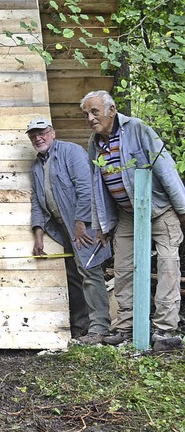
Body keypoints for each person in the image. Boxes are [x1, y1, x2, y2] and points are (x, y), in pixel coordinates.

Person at [80, 90, 185, 347]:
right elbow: (98, 186)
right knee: (124, 269)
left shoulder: (137, 129)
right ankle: (126, 328)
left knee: (168, 267)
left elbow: (165, 167)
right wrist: (102, 225)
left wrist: (182, 209)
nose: (91, 118)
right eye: (86, 114)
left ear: (112, 110)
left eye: (95, 112)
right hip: (127, 214)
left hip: (160, 209)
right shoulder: (95, 142)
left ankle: (165, 331)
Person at [26, 118, 111, 344]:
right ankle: (81, 327)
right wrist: (38, 233)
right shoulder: (37, 165)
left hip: (84, 224)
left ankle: (100, 327)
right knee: (74, 275)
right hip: (62, 226)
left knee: (90, 271)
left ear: (52, 132)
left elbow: (87, 188)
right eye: (33, 135)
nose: (38, 138)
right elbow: (37, 201)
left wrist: (81, 222)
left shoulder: (71, 152)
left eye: (42, 132)